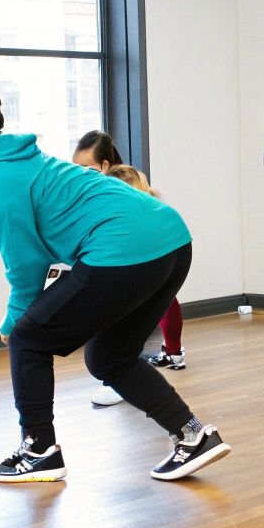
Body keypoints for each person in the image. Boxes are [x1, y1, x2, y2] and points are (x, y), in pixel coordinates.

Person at [0, 95, 229, 482]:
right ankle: (193, 436)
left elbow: (25, 262)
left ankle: (39, 449)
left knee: (27, 338)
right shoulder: (24, 161)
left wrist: (15, 320)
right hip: (172, 240)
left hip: (121, 248)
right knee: (110, 357)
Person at [73, 130, 186, 373]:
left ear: (104, 165)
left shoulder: (121, 182)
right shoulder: (115, 182)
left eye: (86, 167)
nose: (79, 174)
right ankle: (170, 353)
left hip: (147, 254)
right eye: (75, 168)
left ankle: (140, 361)